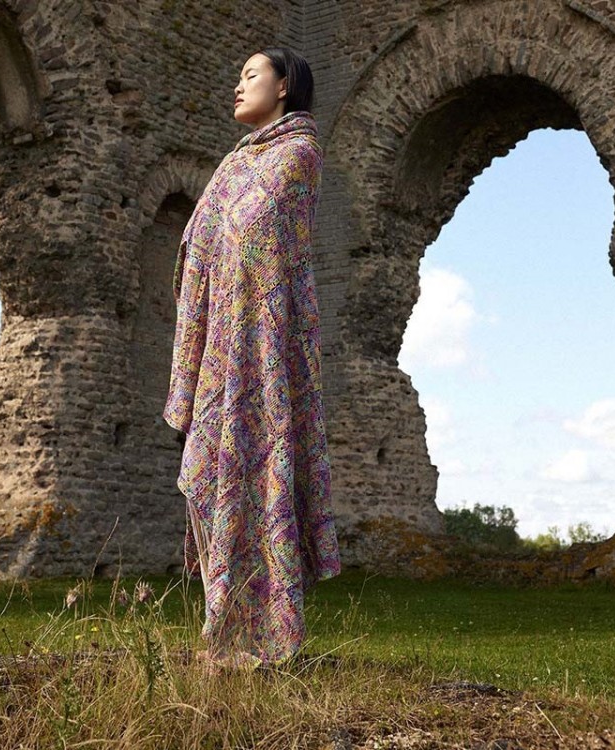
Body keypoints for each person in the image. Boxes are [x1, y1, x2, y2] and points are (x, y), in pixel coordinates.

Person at [163, 47, 341, 669]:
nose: (237, 86)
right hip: (223, 345)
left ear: (284, 86)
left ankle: (267, 637)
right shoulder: (236, 161)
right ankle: (226, 627)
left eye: (250, 75)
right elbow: (206, 240)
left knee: (263, 475)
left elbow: (255, 236)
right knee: (208, 473)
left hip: (265, 346)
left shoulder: (299, 154)